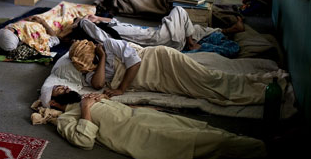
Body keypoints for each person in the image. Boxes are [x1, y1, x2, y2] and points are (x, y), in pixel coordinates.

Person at [42, 85, 266, 159]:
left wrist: (96, 100)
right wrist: (86, 107)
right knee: (205, 141)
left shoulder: (86, 99)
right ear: (53, 103)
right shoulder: (65, 118)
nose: (63, 87)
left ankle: (257, 147)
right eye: (58, 91)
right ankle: (266, 148)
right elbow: (84, 141)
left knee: (207, 131)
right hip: (142, 134)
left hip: (145, 118)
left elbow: (119, 108)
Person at [67, 38, 287, 106]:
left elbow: (134, 62)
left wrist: (122, 88)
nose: (92, 68)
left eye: (94, 61)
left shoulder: (109, 44)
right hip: (153, 79)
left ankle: (263, 85)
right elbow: (96, 84)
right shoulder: (89, 71)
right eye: (90, 67)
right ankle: (260, 88)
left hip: (160, 60)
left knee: (209, 79)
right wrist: (102, 61)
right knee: (198, 91)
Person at [79, 6, 245, 57]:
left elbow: (114, 21)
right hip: (159, 38)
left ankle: (230, 30)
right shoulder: (104, 35)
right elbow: (86, 25)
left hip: (157, 33)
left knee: (196, 29)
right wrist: (81, 21)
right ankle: (191, 43)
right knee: (179, 11)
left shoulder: (111, 27)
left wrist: (98, 18)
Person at [0, 1, 96, 56]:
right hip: (50, 25)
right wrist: (43, 22)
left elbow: (21, 22)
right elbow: (55, 38)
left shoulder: (11, 28)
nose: (12, 29)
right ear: (17, 37)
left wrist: (29, 19)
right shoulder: (33, 41)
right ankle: (89, 13)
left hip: (41, 19)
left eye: (11, 29)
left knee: (63, 6)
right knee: (68, 16)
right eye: (12, 31)